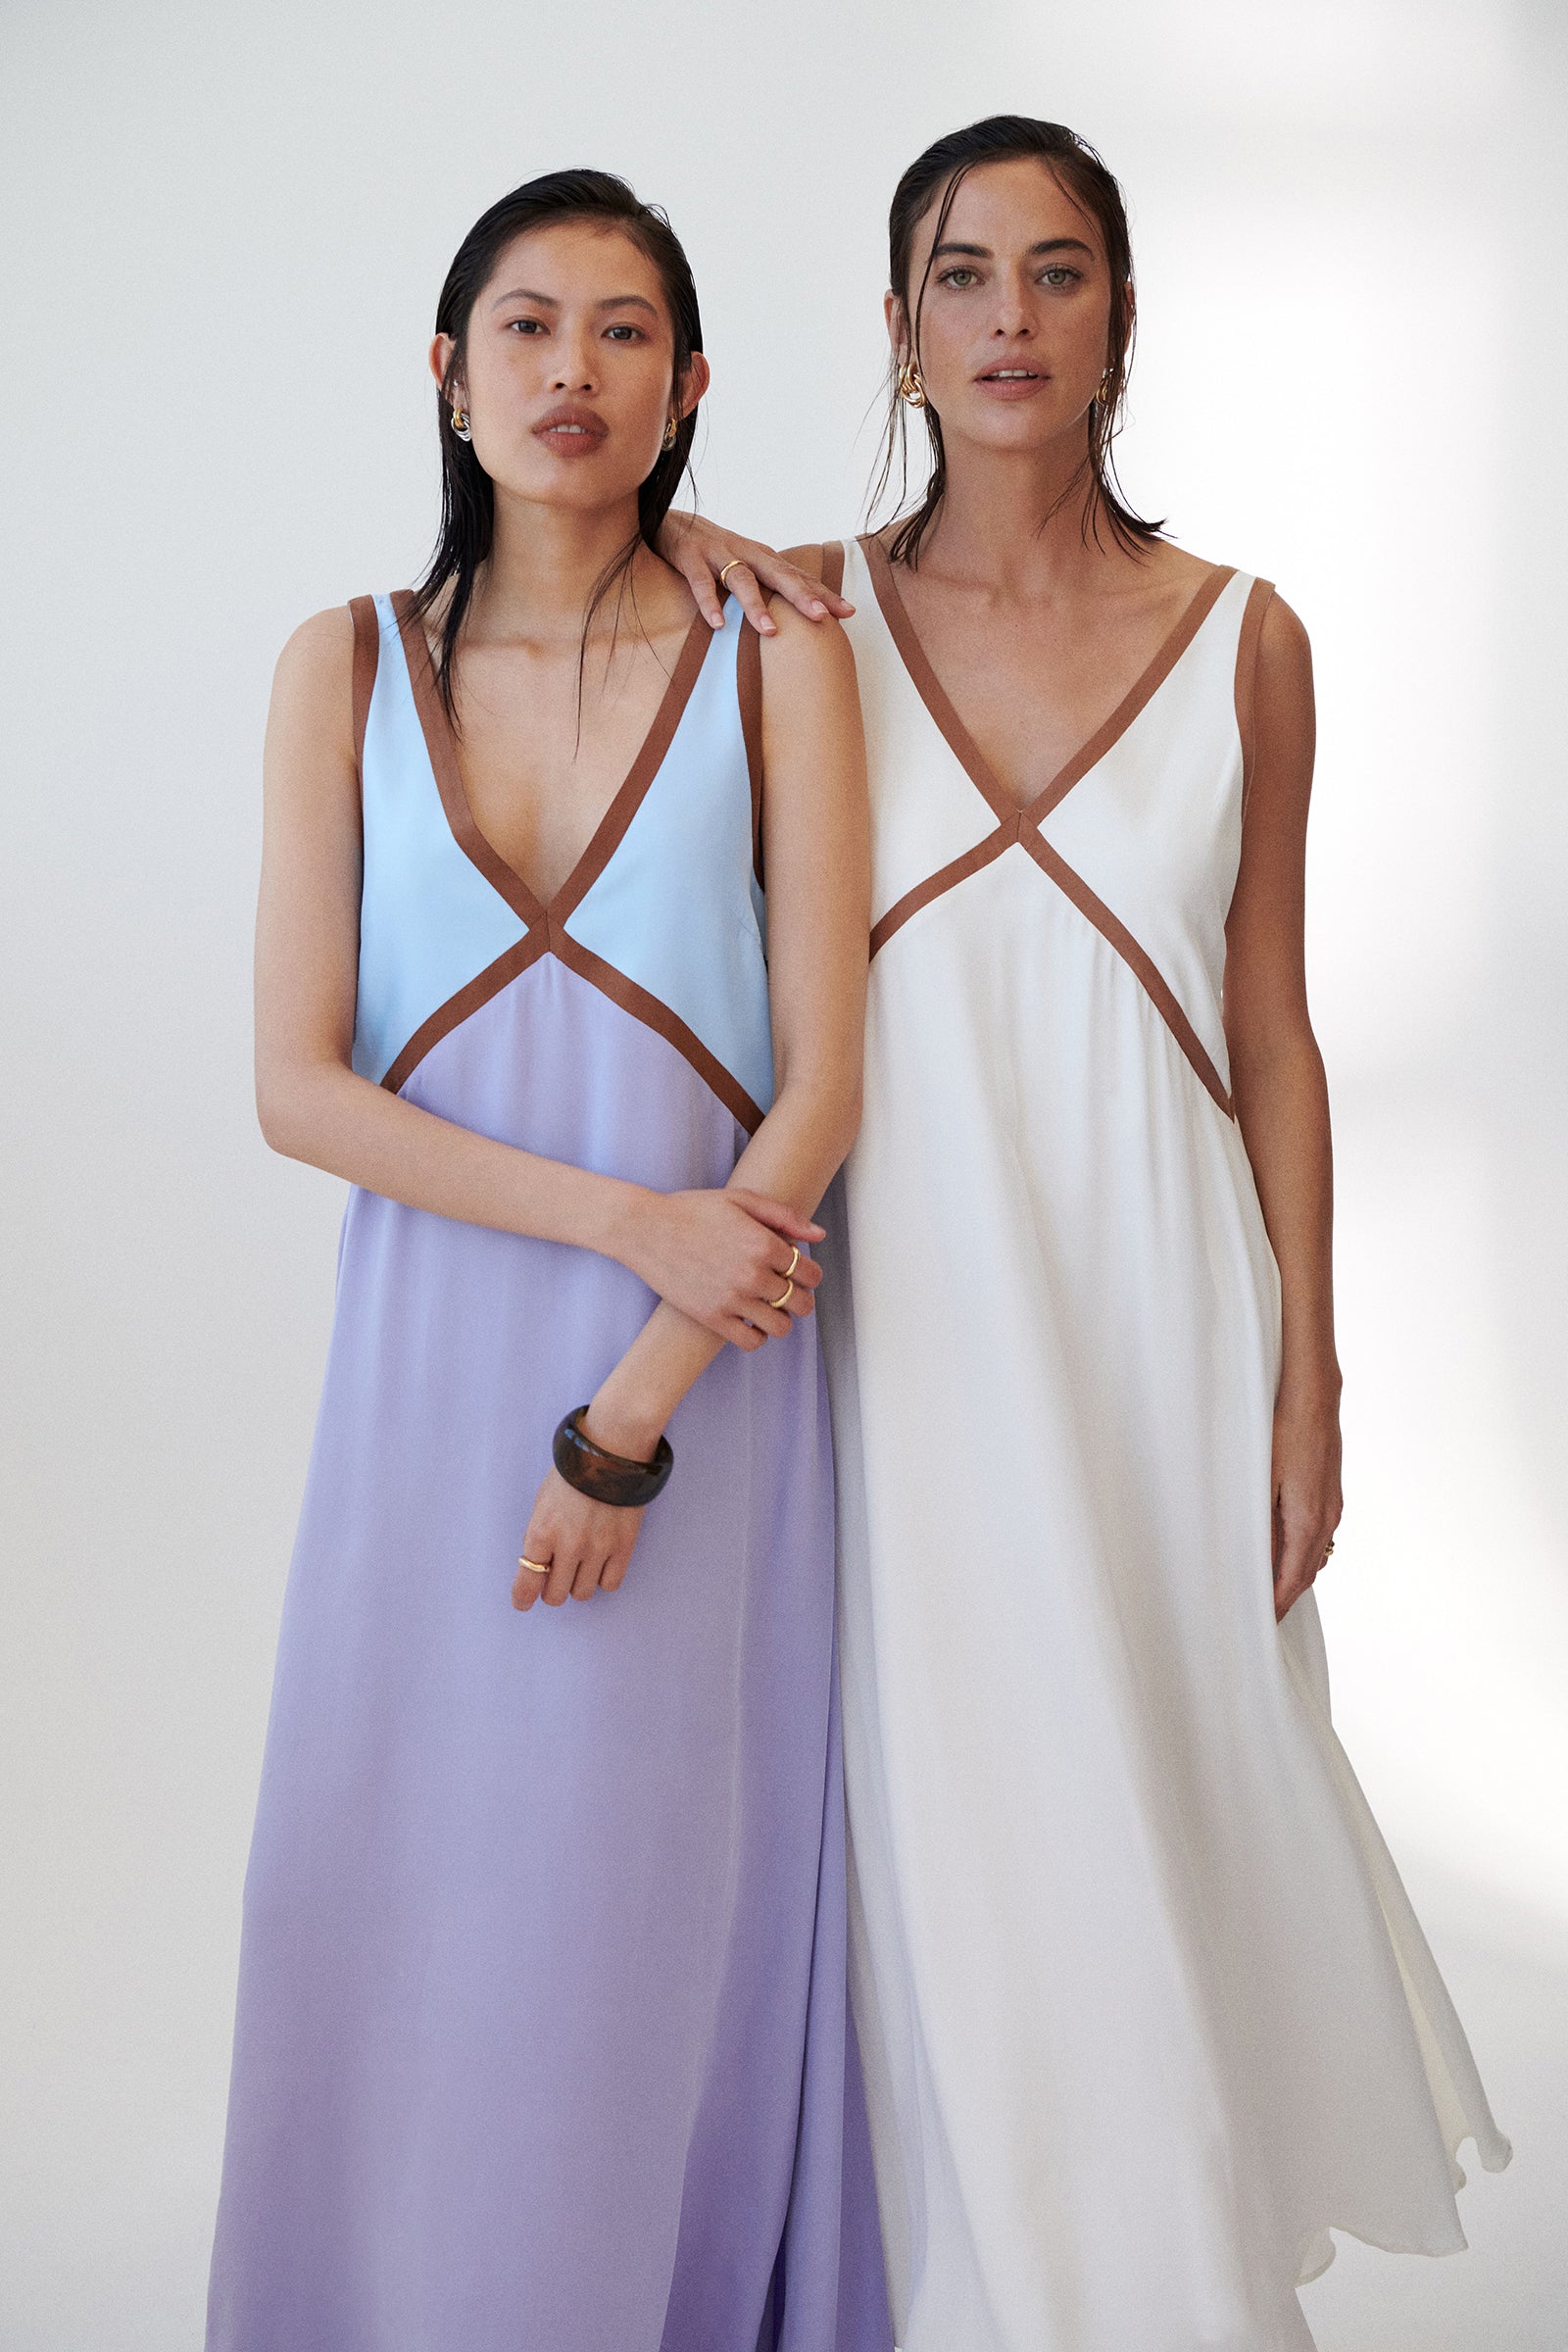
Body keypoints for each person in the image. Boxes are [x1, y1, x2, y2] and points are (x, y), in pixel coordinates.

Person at [664, 115, 1510, 2352]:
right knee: (952, 1829)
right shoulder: (792, 621)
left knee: (1167, 1802)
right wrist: (678, 535)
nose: (1010, 320)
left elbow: (1273, 1035)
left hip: (1160, 1313)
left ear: (1121, 315)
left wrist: (1310, 1381)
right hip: (904, 1331)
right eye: (962, 276)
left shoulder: (1242, 639)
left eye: (1057, 273)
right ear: (897, 329)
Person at [207, 169, 892, 2352]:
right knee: (393, 1870)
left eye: (622, 332)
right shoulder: (337, 665)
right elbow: (296, 1088)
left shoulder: (777, 655)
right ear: (448, 371)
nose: (570, 370)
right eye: (525, 324)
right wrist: (628, 1219)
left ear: (686, 388)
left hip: (694, 1382)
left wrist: (625, 1420)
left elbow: (821, 1088)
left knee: (633, 1898)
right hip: (427, 1382)